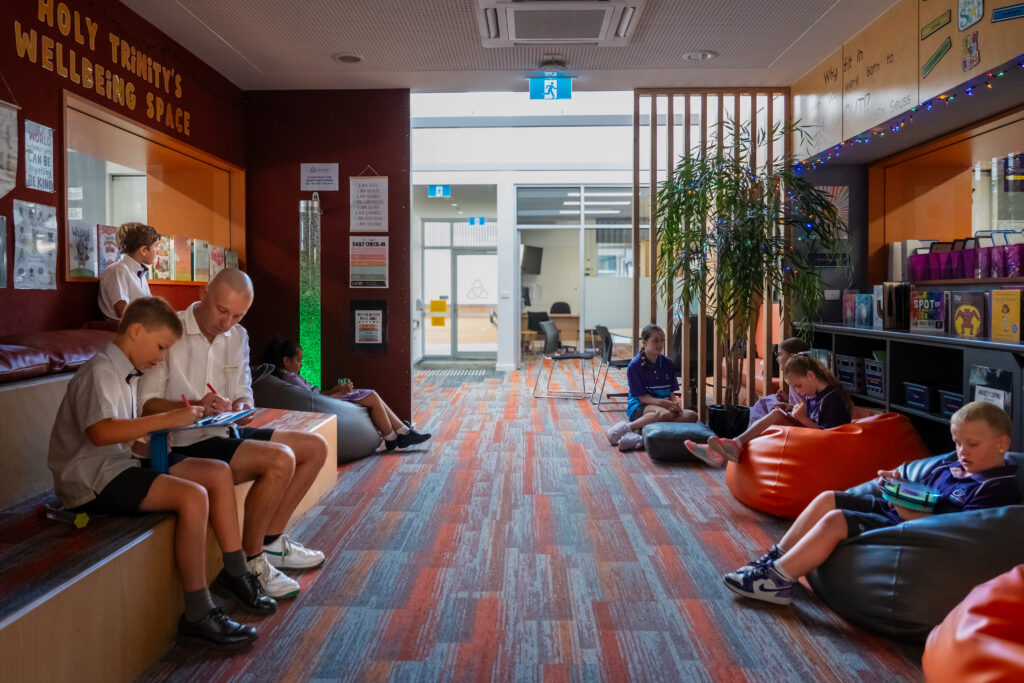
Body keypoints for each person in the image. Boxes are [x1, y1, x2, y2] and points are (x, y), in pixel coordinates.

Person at [48, 297, 274, 649]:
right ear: (136, 331)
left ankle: (236, 572)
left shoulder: (124, 372)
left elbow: (125, 434)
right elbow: (101, 432)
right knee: (192, 496)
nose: (162, 357)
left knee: (216, 472)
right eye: (161, 347)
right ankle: (198, 612)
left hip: (120, 465)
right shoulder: (99, 371)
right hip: (91, 482)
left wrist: (161, 436)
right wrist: (167, 420)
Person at [138, 269, 329, 600]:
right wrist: (196, 405)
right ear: (205, 293)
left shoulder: (238, 336)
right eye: (222, 311)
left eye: (237, 315)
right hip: (182, 443)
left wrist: (243, 405)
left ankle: (272, 543)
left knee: (315, 448)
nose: (227, 323)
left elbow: (243, 391)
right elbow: (146, 404)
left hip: (226, 432)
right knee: (280, 460)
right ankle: (251, 562)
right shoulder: (170, 331)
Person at [722, 401, 1021, 605]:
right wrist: (898, 482)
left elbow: (964, 533)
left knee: (836, 520)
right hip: (899, 513)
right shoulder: (951, 465)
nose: (961, 451)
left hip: (913, 531)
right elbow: (923, 487)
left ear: (1002, 444)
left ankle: (777, 581)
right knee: (828, 497)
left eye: (972, 444)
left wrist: (911, 516)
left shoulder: (996, 488)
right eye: (957, 443)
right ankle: (775, 558)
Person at [263, 337, 431, 452]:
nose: (301, 364)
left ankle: (400, 433)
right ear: (286, 361)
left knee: (372, 396)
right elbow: (314, 401)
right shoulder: (291, 379)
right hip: (326, 404)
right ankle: (394, 436)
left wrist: (335, 390)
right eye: (298, 360)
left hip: (325, 400)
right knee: (372, 396)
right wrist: (339, 393)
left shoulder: (289, 378)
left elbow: (314, 394)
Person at [686, 353, 852, 464]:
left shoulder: (832, 399)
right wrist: (791, 408)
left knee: (776, 416)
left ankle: (727, 448)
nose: (799, 392)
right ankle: (724, 449)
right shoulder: (815, 394)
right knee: (776, 414)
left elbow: (830, 437)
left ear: (811, 375)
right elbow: (813, 420)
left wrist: (803, 419)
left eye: (798, 386)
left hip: (825, 447)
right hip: (813, 438)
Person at [606, 324, 698, 454]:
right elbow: (643, 398)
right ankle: (628, 427)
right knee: (664, 414)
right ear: (644, 342)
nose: (660, 344)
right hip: (640, 406)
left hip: (663, 407)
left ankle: (640, 434)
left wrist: (675, 404)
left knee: (692, 416)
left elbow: (671, 393)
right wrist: (666, 404)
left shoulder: (668, 363)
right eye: (655, 340)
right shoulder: (635, 365)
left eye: (662, 340)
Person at [98, 222, 160, 320]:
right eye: (156, 246)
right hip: (123, 326)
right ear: (143, 250)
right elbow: (122, 311)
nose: (158, 251)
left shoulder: (139, 272)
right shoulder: (117, 271)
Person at [746, 337, 811, 422]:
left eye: (780, 354)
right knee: (768, 401)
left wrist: (790, 405)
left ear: (791, 356)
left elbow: (807, 409)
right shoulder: (796, 374)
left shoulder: (800, 377)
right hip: (796, 412)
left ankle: (752, 428)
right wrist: (787, 399)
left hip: (800, 419)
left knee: (767, 403)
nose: (777, 359)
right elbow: (800, 403)